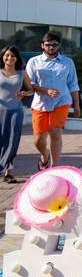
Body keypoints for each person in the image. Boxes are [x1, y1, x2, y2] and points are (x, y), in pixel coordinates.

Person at [25, 33, 81, 169]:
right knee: (38, 140)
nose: (51, 47)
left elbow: (73, 84)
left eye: (54, 44)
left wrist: (77, 105)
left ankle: (54, 167)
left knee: (55, 132)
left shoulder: (68, 62)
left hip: (62, 102)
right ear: (42, 45)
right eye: (48, 44)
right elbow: (30, 84)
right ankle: (45, 155)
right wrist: (46, 91)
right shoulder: (33, 61)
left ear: (59, 45)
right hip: (40, 104)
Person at [0, 46, 34, 183]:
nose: (9, 58)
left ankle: (9, 172)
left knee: (12, 141)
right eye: (7, 55)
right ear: (2, 57)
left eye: (13, 56)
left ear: (17, 58)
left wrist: (25, 93)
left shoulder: (22, 73)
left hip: (15, 111)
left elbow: (31, 90)